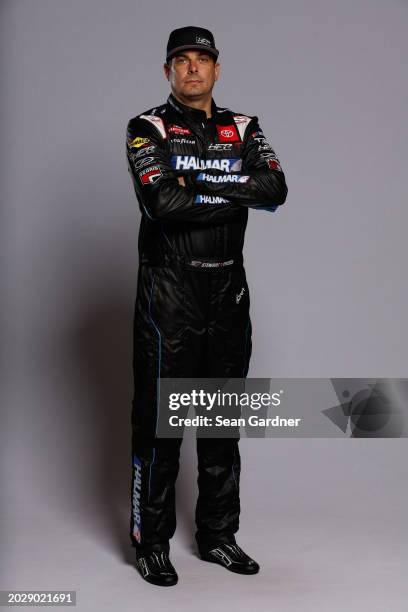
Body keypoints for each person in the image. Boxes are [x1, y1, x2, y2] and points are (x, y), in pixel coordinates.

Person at [126, 26, 288, 587]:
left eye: (202, 60)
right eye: (181, 60)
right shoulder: (146, 126)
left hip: (228, 290)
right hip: (168, 290)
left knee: (221, 421)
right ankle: (151, 543)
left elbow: (275, 189)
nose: (192, 69)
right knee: (160, 422)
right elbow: (161, 201)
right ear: (167, 70)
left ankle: (218, 536)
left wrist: (198, 180)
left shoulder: (243, 127)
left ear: (217, 69)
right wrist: (230, 184)